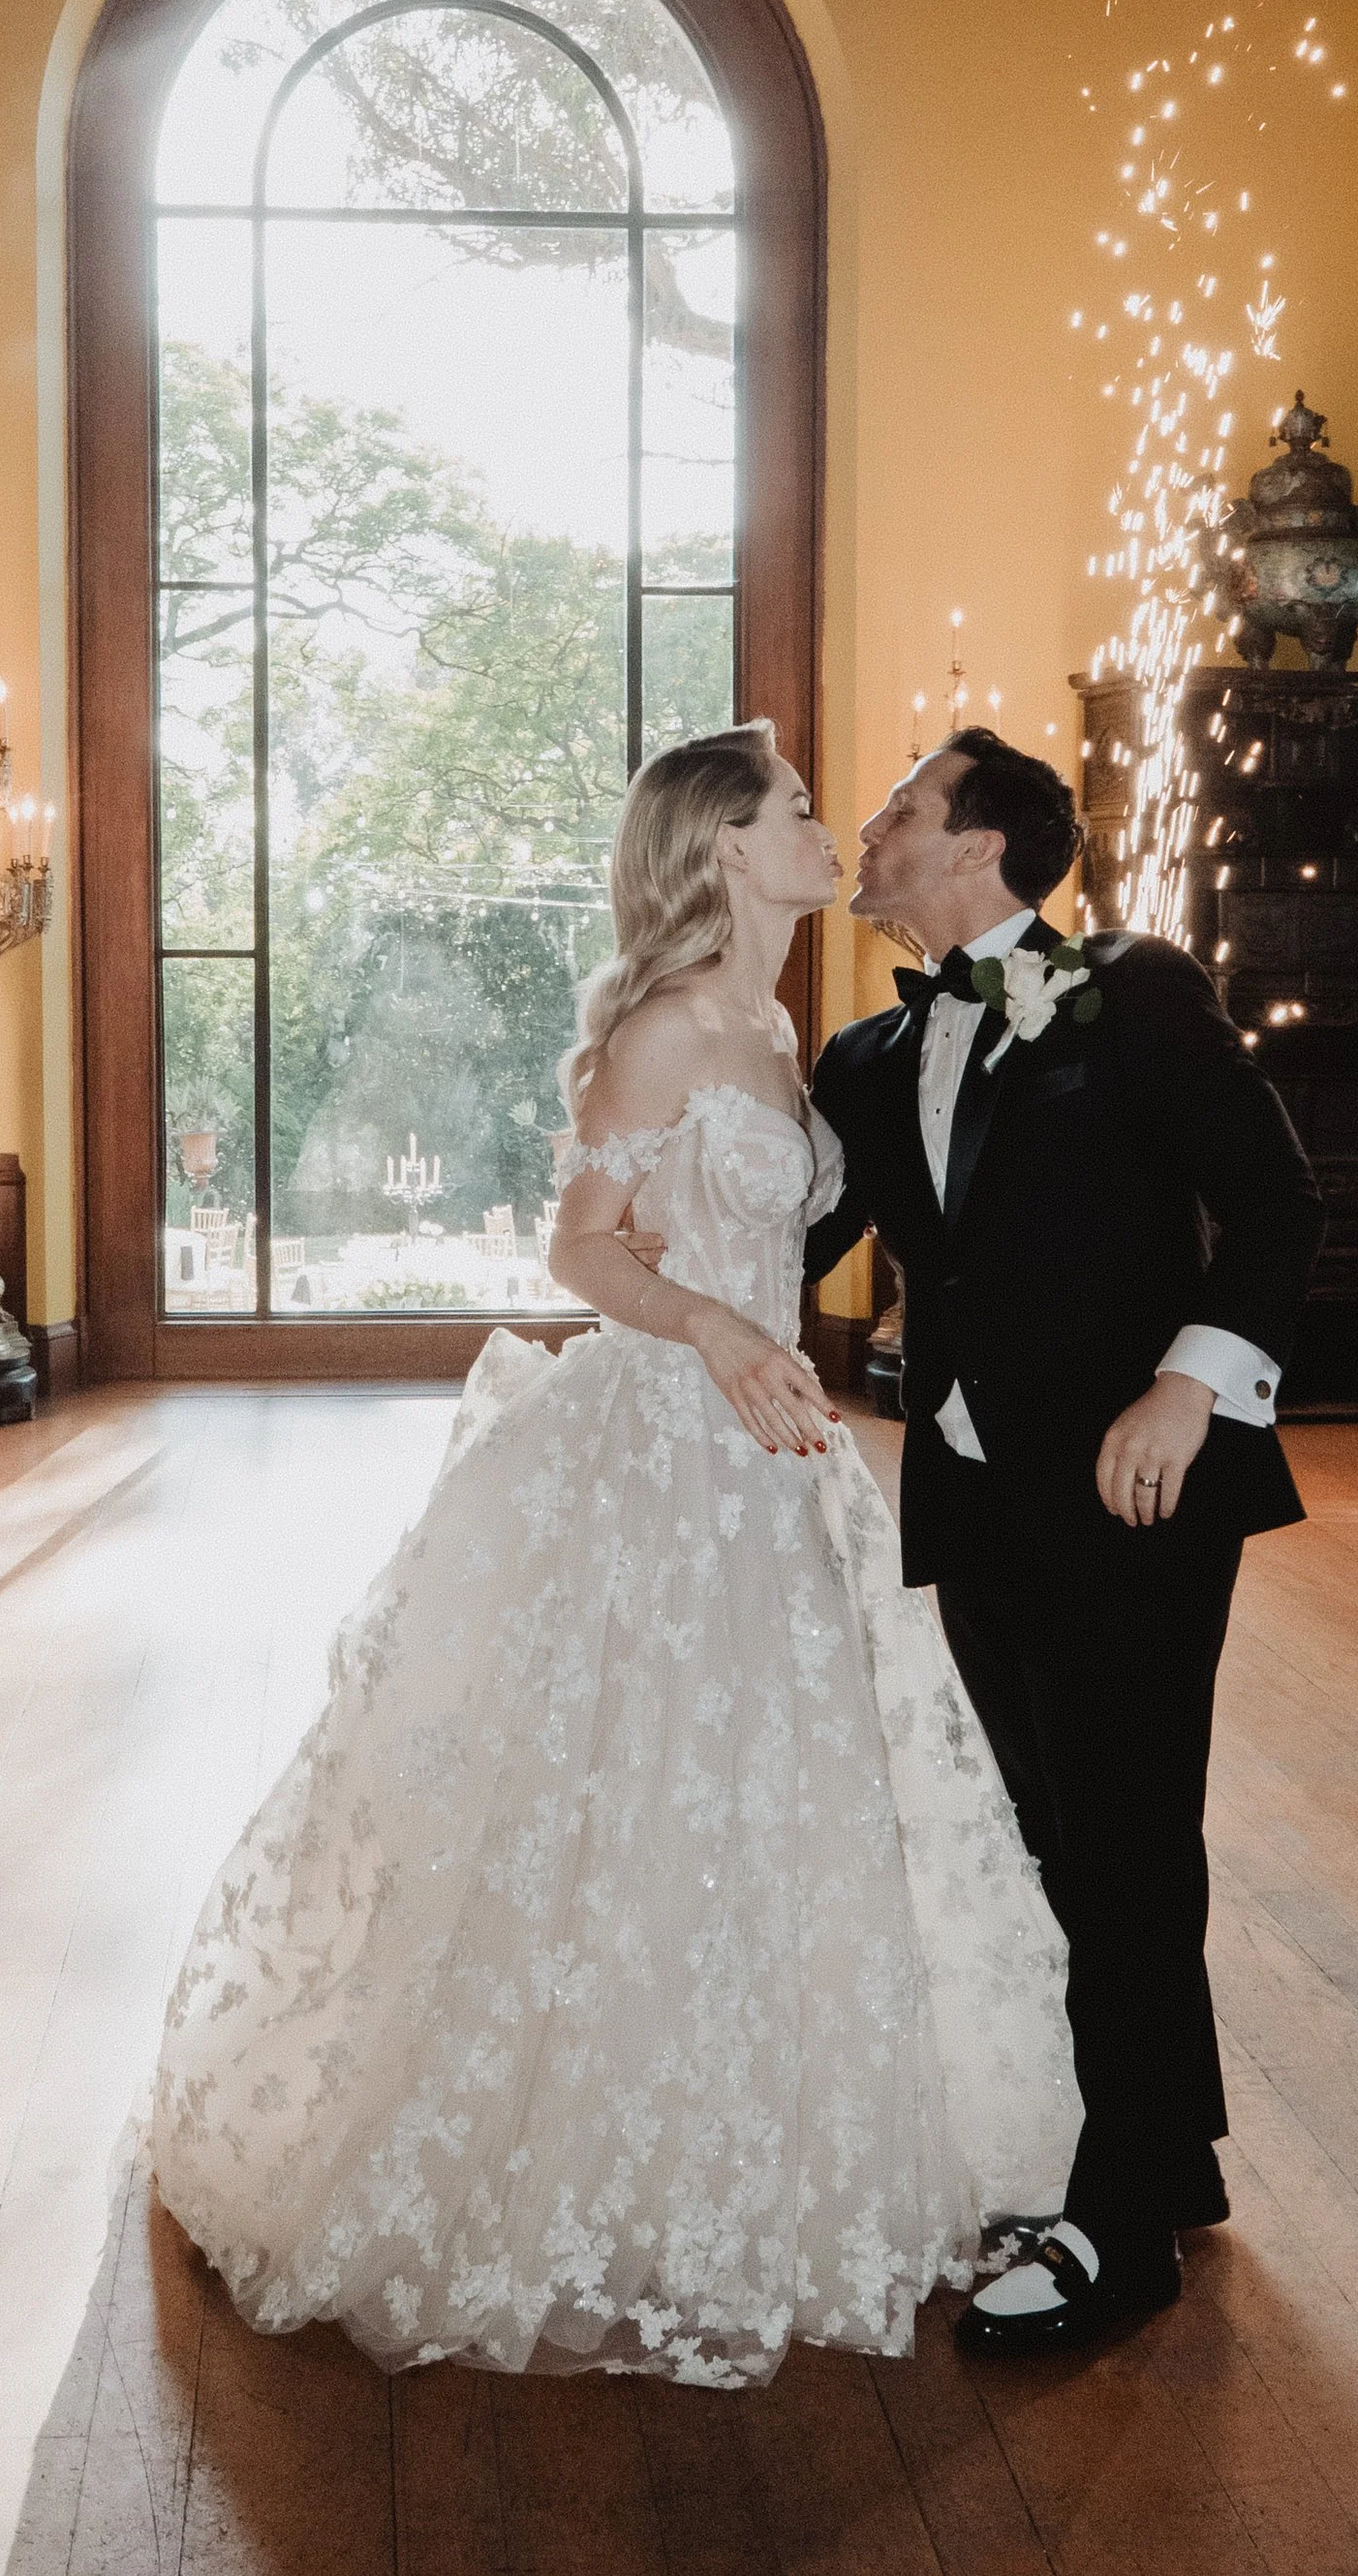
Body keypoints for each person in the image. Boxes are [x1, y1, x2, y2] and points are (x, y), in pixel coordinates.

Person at [152, 721, 1077, 2386]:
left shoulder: (780, 1030)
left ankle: (753, 2135)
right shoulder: (657, 1032)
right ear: (725, 845)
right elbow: (579, 1249)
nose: (832, 830)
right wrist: (717, 1329)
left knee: (772, 1791)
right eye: (801, 808)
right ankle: (572, 2159)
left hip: (773, 1462)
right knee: (622, 1784)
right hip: (662, 1442)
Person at [804, 725, 1326, 2351]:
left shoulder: (1135, 990)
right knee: (1053, 1832)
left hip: (1136, 1493)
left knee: (1125, 1839)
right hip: (973, 1498)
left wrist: (1189, 1387)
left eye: (899, 808)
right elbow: (783, 1239)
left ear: (979, 848)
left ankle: (1121, 2235)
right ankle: (1168, 2155)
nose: (869, 829)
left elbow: (1281, 1206)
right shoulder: (862, 1060)